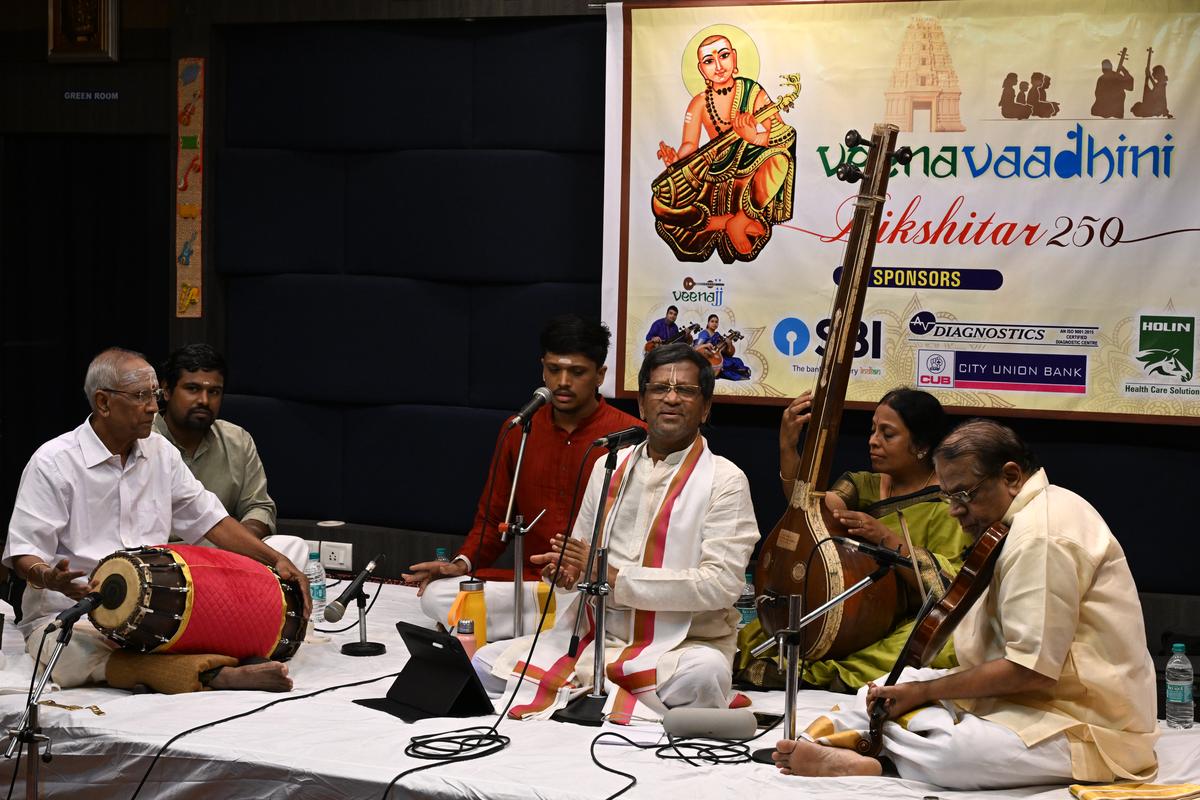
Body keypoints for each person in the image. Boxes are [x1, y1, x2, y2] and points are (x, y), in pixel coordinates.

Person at [772, 419, 1158, 789]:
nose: (955, 510)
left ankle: (878, 755)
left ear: (1009, 476)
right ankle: (870, 745)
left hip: (1081, 720)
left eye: (963, 495)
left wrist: (928, 693)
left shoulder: (1041, 537)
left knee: (957, 753)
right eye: (948, 497)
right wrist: (922, 689)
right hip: (1022, 698)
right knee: (889, 686)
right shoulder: (1023, 516)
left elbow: (1032, 671)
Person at [472, 344, 760, 722]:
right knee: (482, 661)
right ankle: (616, 695)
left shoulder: (726, 480)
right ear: (642, 404)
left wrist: (616, 581)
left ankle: (601, 693)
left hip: (680, 648)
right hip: (599, 639)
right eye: (659, 389)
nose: (671, 398)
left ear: (705, 408)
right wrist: (567, 574)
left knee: (705, 674)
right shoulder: (608, 465)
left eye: (685, 391)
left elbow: (720, 585)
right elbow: (580, 558)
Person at [2, 348, 309, 694]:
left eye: (155, 395)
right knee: (63, 648)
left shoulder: (160, 452)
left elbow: (212, 519)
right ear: (103, 403)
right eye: (141, 396)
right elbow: (23, 554)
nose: (153, 406)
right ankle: (209, 672)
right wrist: (51, 579)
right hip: (80, 613)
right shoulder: (53, 462)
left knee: (289, 550)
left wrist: (276, 560)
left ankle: (180, 661)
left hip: (161, 608)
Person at [403, 315, 643, 640]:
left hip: (592, 585)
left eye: (577, 372)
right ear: (542, 368)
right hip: (532, 584)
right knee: (437, 596)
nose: (562, 382)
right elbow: (492, 518)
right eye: (554, 369)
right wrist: (462, 563)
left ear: (600, 375)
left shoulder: (631, 436)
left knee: (611, 608)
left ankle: (546, 630)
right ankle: (560, 632)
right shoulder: (520, 429)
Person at [735, 388, 971, 690]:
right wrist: (788, 447)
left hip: (900, 619)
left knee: (941, 639)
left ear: (921, 446)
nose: (873, 441)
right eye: (873, 430)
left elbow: (946, 588)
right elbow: (807, 508)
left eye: (888, 434)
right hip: (846, 613)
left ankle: (831, 676)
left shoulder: (946, 504)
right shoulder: (862, 485)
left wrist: (885, 538)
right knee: (770, 629)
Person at [153, 343, 309, 570]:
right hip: (162, 560)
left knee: (292, 546)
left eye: (213, 392)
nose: (204, 400)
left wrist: (240, 541)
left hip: (226, 554)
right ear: (166, 390)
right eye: (193, 389)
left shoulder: (237, 439)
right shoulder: (143, 441)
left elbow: (260, 508)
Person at [652, 34, 796, 263]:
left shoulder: (753, 91)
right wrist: (676, 161)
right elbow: (690, 144)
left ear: (734, 57)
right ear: (701, 69)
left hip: (748, 172)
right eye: (709, 61)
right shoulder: (699, 102)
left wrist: (753, 137)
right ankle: (720, 222)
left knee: (780, 159)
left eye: (724, 56)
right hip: (711, 172)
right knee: (660, 203)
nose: (718, 66)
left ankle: (742, 218)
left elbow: (782, 133)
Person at [695, 314, 751, 381]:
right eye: (712, 321)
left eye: (716, 322)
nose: (714, 323)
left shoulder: (718, 335)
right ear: (708, 323)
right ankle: (737, 373)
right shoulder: (704, 333)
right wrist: (706, 345)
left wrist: (729, 344)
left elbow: (729, 354)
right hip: (706, 357)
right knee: (726, 365)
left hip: (716, 357)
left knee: (737, 361)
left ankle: (737, 372)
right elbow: (695, 347)